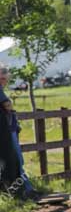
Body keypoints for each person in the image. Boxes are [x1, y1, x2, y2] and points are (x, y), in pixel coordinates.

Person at [0, 66, 36, 198]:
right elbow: (6, 104)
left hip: (7, 128)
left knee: (15, 160)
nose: (4, 80)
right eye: (2, 78)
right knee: (16, 159)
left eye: (5, 78)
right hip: (6, 130)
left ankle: (22, 189)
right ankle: (24, 189)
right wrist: (9, 106)